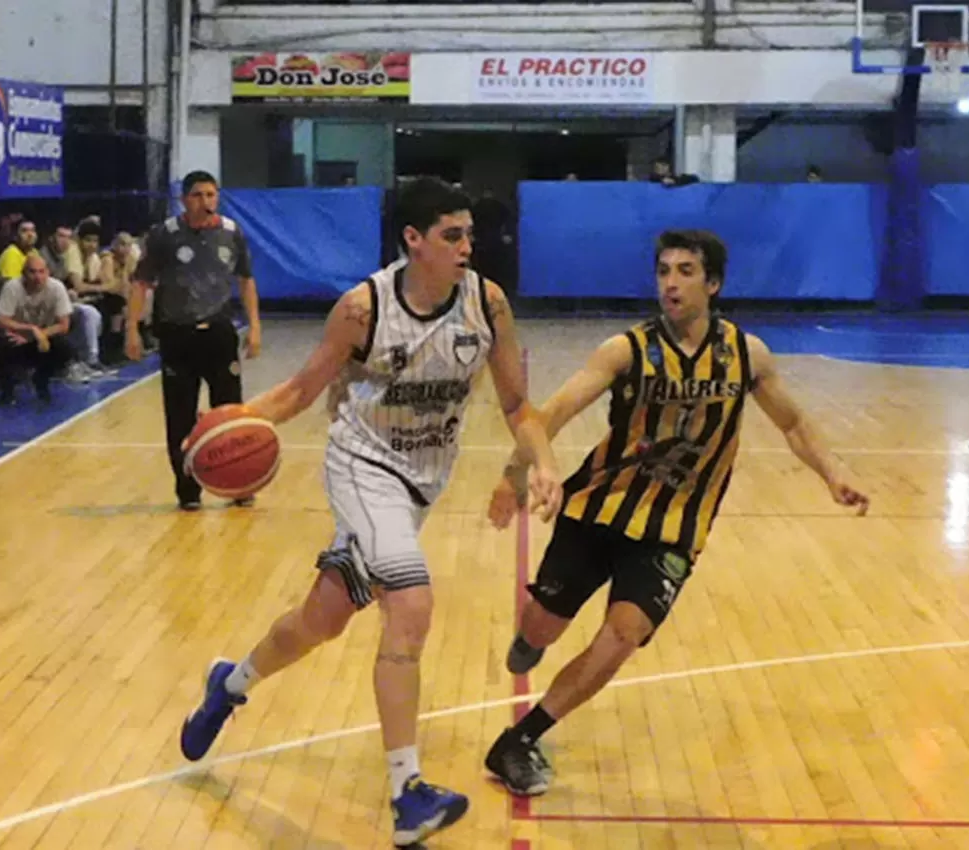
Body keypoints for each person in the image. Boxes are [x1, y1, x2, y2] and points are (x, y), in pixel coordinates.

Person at [177, 177, 564, 847]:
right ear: (413, 240)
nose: (468, 246)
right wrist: (228, 420)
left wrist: (544, 461)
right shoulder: (363, 308)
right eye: (452, 235)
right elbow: (300, 392)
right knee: (410, 605)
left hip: (420, 485)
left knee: (320, 620)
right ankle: (406, 792)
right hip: (360, 467)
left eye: (469, 233)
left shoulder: (487, 303)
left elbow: (515, 406)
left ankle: (230, 684)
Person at [480, 229, 871, 797]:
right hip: (599, 509)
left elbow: (793, 423)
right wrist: (513, 476)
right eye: (664, 270)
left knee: (624, 633)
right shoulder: (626, 350)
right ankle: (534, 635)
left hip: (676, 529)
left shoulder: (746, 354)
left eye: (686, 271)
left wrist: (833, 471)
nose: (671, 282)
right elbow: (551, 413)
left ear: (713, 283)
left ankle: (521, 739)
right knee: (543, 625)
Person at [126, 171, 263, 510]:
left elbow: (245, 280)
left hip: (219, 334)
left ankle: (239, 484)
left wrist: (255, 326)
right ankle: (188, 491)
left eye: (212, 195)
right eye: (199, 195)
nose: (207, 202)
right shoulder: (164, 236)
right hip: (177, 336)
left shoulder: (231, 233)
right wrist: (131, 328)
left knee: (230, 414)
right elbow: (141, 283)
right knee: (180, 417)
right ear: (184, 199)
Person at [0, 254, 74, 404]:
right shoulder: (12, 287)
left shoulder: (56, 288)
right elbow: (1, 320)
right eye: (32, 272)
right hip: (17, 337)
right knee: (2, 344)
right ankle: (7, 390)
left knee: (65, 348)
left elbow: (64, 325)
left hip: (41, 339)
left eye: (41, 271)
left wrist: (39, 334)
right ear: (23, 273)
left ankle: (41, 379)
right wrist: (29, 329)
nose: (37, 276)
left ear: (48, 272)